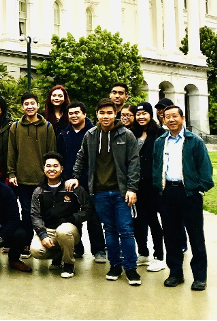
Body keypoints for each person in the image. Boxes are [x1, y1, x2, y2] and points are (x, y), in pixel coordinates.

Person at [66, 98, 141, 286]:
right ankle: (115, 265)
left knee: (126, 230)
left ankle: (131, 269)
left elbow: (134, 163)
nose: (106, 116)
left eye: (109, 113)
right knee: (109, 230)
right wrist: (75, 175)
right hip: (99, 192)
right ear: (96, 114)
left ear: (115, 114)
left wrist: (132, 188)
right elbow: (81, 156)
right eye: (102, 113)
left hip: (121, 192)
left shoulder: (126, 135)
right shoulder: (91, 135)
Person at [152, 105, 214, 291]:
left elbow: (205, 168)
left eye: (174, 116)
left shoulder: (194, 141)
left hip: (189, 194)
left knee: (195, 236)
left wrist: (200, 189)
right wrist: (158, 188)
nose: (171, 120)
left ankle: (200, 277)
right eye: (167, 117)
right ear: (163, 120)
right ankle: (175, 273)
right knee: (171, 236)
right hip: (167, 194)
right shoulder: (160, 141)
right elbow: (156, 166)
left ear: (182, 118)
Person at [56, 101, 106, 262]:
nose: (74, 116)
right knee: (73, 216)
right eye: (70, 113)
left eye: (77, 112)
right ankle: (77, 248)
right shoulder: (64, 135)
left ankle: (98, 250)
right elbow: (60, 158)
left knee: (93, 217)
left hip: (91, 181)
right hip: (69, 182)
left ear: (84, 114)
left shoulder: (95, 133)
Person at [7, 92, 57, 253]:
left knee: (46, 212)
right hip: (22, 179)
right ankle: (26, 244)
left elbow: (52, 152)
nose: (29, 106)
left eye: (32, 103)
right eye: (26, 104)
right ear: (22, 107)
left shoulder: (48, 127)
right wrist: (11, 173)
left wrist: (51, 175)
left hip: (43, 179)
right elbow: (11, 152)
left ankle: (49, 244)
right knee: (27, 212)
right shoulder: (15, 127)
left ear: (38, 106)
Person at [30, 151, 91, 278]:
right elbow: (35, 216)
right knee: (36, 250)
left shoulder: (73, 188)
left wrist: (72, 219)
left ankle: (68, 264)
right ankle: (59, 255)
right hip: (49, 230)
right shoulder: (39, 191)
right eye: (48, 166)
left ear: (61, 169)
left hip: (69, 231)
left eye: (55, 166)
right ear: (44, 168)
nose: (51, 169)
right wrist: (42, 235)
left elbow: (88, 209)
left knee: (63, 231)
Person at [131, 102, 166, 273]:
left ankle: (159, 256)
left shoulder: (159, 133)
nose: (141, 116)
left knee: (153, 220)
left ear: (150, 115)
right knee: (138, 221)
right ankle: (143, 253)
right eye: (138, 114)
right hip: (136, 185)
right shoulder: (132, 133)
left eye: (145, 113)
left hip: (153, 185)